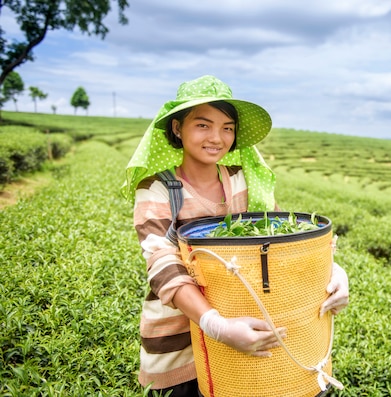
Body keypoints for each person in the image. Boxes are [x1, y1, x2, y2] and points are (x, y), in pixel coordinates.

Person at [121, 75, 349, 396]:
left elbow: (283, 241)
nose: (217, 137)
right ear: (177, 128)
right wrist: (217, 326)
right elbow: (163, 267)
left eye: (227, 127)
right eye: (203, 125)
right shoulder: (157, 189)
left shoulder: (244, 181)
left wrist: (332, 273)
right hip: (181, 344)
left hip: (246, 329)